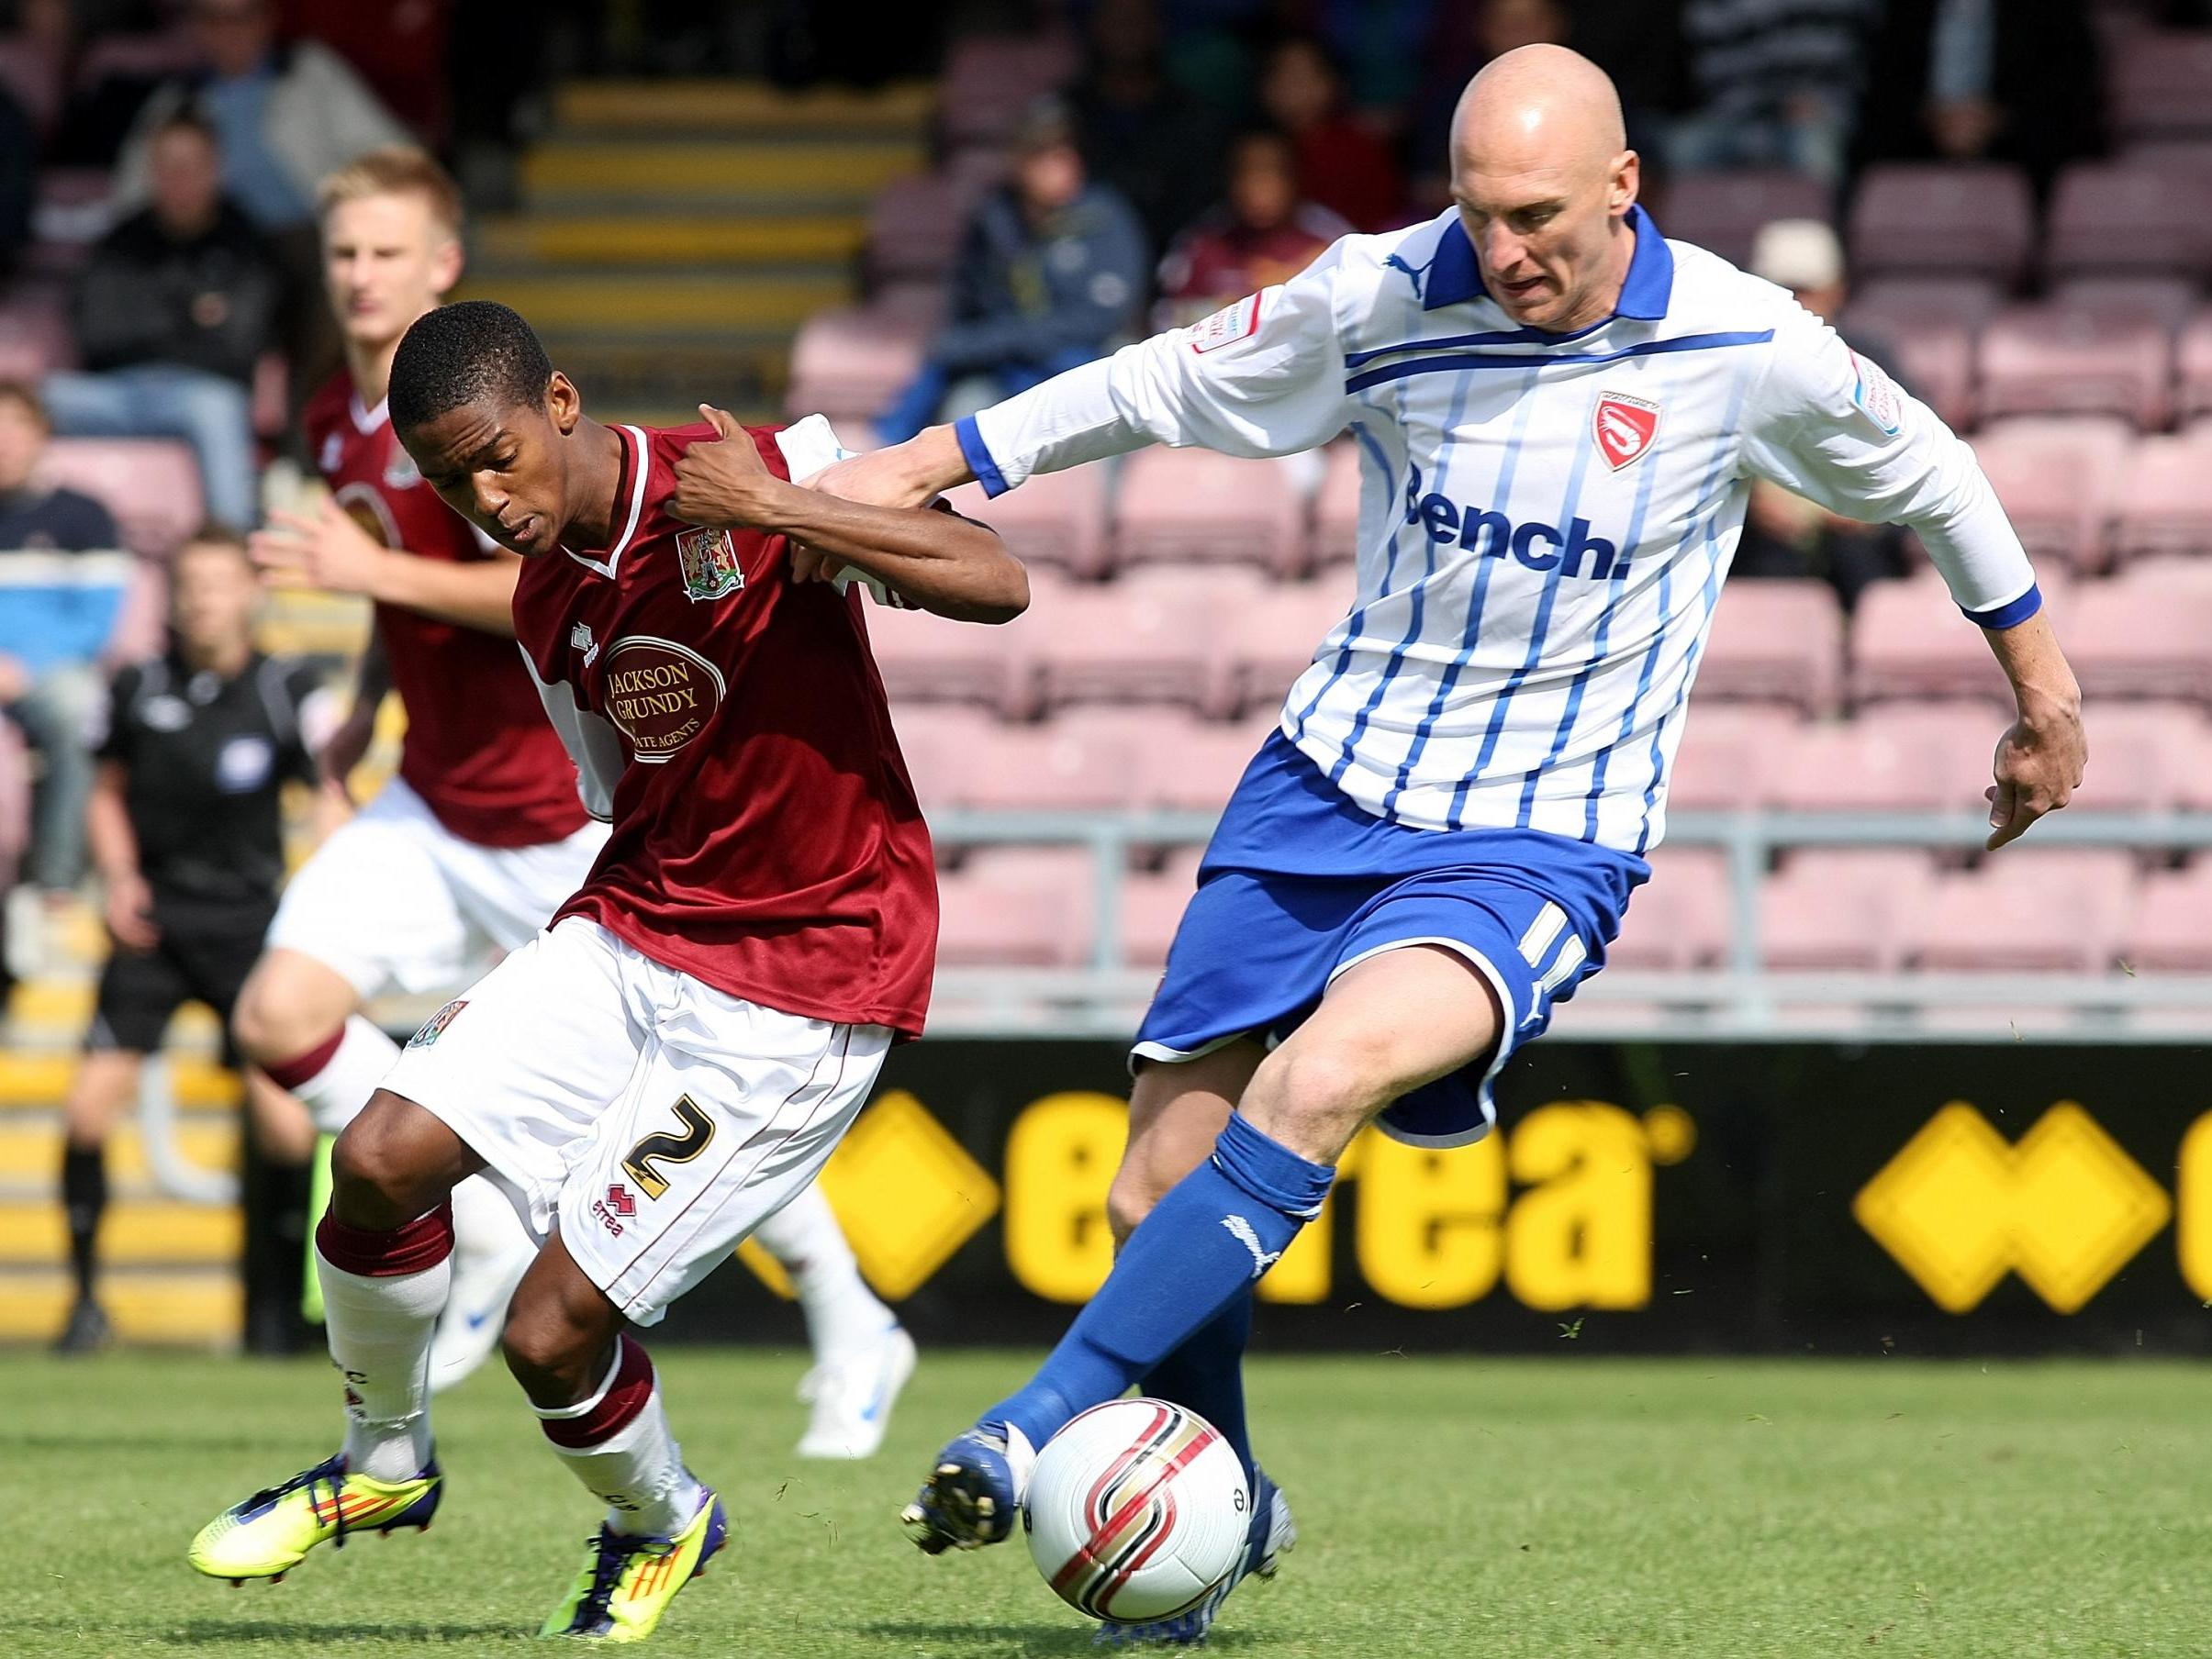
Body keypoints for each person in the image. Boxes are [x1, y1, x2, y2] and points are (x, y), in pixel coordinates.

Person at [823, 43, 2086, 1645]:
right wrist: (920, 464)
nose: (1508, 253)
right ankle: (1225, 1516)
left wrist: (2043, 697)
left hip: (1540, 831)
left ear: (1628, 186)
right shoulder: (1381, 292)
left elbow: (1931, 473)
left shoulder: (1742, 343)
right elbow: (1150, 382)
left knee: (1324, 1075)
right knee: (1155, 1189)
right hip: (1326, 782)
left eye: (1543, 216)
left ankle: (1035, 1416)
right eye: (1483, 215)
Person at [185, 299, 1028, 1644]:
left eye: (495, 457)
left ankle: (661, 1520)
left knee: (546, 1332)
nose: (484, 498)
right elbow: (614, 790)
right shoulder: (542, 595)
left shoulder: (746, 467)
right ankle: (381, 1466)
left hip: (801, 978)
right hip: (636, 924)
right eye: (451, 480)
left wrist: (784, 511)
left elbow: (996, 582)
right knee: (386, 1156)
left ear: (559, 402)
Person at [243, 147, 920, 1448]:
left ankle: (847, 1314)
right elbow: (414, 589)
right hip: (432, 795)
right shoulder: (347, 418)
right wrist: (362, 698)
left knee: (696, 1084)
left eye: (386, 253)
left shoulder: (488, 422)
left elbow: (539, 592)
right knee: (280, 1013)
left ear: (442, 265)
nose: (360, 276)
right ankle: (477, 1232)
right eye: (342, 255)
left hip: (565, 809)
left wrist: (373, 587)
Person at [55, 527, 328, 1356]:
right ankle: (86, 1307)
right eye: (189, 583)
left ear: (250, 592)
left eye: (218, 583)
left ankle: (278, 1315)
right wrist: (120, 874)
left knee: (285, 1127)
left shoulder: (286, 688)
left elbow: (330, 793)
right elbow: (104, 791)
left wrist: (319, 887)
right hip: (154, 924)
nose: (201, 598)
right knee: (87, 1109)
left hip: (249, 925)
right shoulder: (137, 683)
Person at [42, 108, 280, 532]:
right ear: (152, 171)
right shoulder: (123, 240)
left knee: (216, 409)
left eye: (191, 165)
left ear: (215, 169)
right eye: (168, 166)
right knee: (27, 404)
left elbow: (239, 346)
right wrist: (190, 317)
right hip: (114, 394)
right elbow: (95, 335)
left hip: (201, 393)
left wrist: (146, 324)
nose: (179, 178)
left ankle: (231, 552)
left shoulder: (244, 241)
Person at [875, 99, 1148, 445]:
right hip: (1007, 366)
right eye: (1042, 154)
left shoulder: (1106, 218)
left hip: (1084, 361)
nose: (1057, 166)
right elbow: (971, 301)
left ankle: (1104, 498)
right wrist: (985, 344)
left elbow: (1096, 320)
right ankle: (883, 451)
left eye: (1064, 154)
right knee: (961, 407)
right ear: (1019, 161)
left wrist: (998, 341)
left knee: (1115, 406)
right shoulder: (994, 218)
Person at [114, 0, 409, 236]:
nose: (231, 31)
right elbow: (132, 197)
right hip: (222, 252)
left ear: (269, 18)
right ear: (196, 27)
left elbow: (393, 152)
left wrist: (357, 211)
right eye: (214, 19)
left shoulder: (309, 73)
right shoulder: (176, 100)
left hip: (313, 237)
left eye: (245, 16)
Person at [1733, 218, 1910, 610]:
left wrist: (1872, 509)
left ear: (1837, 289)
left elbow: (1917, 455)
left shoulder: (1872, 359)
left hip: (1861, 550)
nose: (1796, 301)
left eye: (1806, 289)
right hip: (1762, 550)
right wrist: (1747, 500)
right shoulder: (1730, 362)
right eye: (1782, 288)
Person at [0, 380, 126, 902]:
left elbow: (96, 620)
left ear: (41, 434)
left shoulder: (84, 515)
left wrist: (25, 667)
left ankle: (55, 884)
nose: (2, 442)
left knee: (82, 713)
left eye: (13, 428)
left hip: (47, 676)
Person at [1153, 130, 1348, 330]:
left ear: (1295, 177)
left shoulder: (1330, 240)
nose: (1257, 186)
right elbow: (1167, 319)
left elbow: (1358, 313)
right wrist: (1234, 310)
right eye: (1246, 172)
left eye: (1270, 172)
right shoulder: (1203, 242)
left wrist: (1295, 293)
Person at [1257, 36, 1403, 234]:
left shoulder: (1358, 149)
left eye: (1303, 79)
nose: (1293, 91)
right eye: (1283, 78)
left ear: (1331, 83)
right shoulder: (1256, 151)